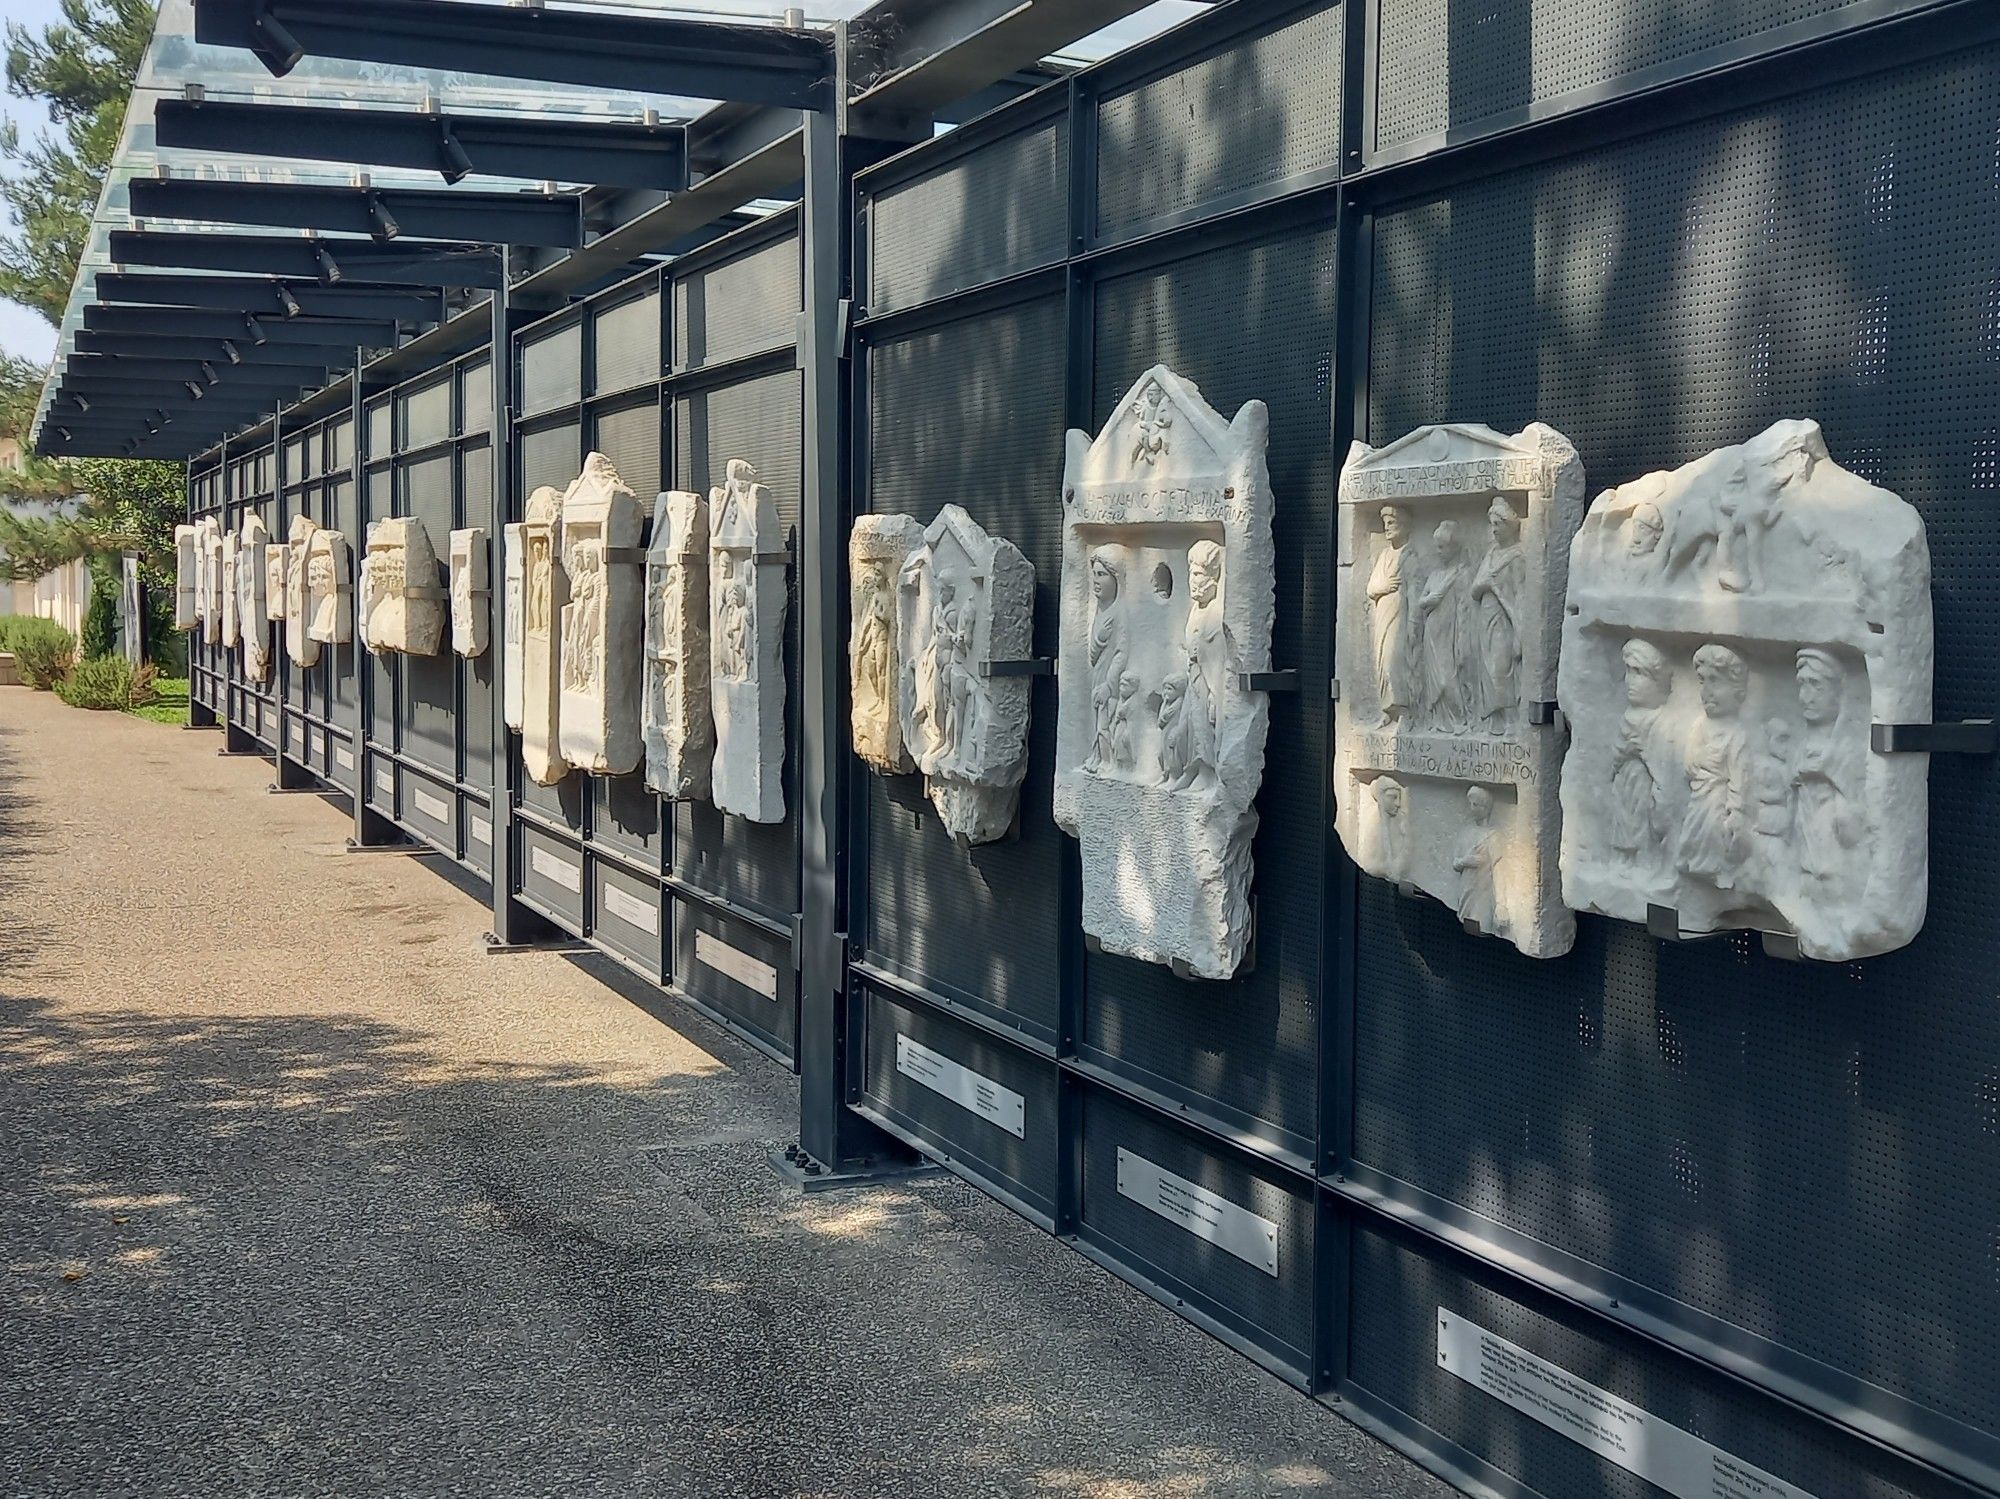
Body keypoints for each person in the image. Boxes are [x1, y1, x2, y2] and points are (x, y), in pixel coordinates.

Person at [1793, 647, 1865, 900]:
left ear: (1838, 693)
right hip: (1805, 862)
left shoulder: (1848, 750)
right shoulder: (1801, 745)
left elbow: (1855, 827)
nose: (1806, 697)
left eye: (1816, 686)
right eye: (1802, 686)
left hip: (1836, 868)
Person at [1678, 644, 1751, 890]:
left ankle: (1718, 871)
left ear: (1738, 690)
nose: (1707, 692)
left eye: (1716, 682)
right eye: (1703, 682)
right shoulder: (1701, 725)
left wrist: (1737, 811)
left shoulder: (1737, 733)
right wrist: (1700, 761)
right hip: (1699, 797)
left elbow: (1740, 777)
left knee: (1714, 836)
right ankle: (1696, 869)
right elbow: (1689, 762)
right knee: (1695, 834)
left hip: (1718, 800)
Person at [1609, 639, 1674, 871]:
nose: (1630, 681)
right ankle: (1624, 858)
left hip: (1645, 788)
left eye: (1638, 673)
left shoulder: (1660, 720)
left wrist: (1643, 754)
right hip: (1624, 784)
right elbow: (1616, 756)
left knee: (1642, 818)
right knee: (1622, 818)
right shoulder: (1629, 716)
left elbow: (1665, 765)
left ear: (1657, 680)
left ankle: (1646, 860)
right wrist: (1626, 753)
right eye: (1628, 672)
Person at [1468, 498, 1525, 730]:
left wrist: (1499, 592)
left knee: (1501, 667)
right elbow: (1475, 589)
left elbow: (1522, 593)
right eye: (1491, 525)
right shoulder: (1491, 554)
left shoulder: (1518, 556)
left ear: (1509, 525)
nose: (1494, 530)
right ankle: (1495, 720)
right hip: (1486, 619)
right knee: (1486, 668)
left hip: (1505, 618)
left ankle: (1511, 718)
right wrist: (1487, 586)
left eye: (1497, 525)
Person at [1414, 519, 1470, 733]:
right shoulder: (1436, 576)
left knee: (1448, 678)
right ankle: (1438, 722)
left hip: (1450, 631)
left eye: (1442, 547)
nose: (1438, 551)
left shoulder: (1461, 574)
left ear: (1454, 547)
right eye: (1436, 546)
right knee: (1434, 679)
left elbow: (1465, 606)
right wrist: (1433, 599)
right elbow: (1421, 602)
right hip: (1432, 632)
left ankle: (1459, 720)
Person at [1367, 505, 1418, 724]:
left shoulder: (1410, 556)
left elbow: (1415, 589)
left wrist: (1414, 622)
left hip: (1400, 615)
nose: (1387, 528)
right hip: (1382, 616)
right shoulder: (1384, 555)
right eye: (1385, 524)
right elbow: (1371, 588)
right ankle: (1388, 711)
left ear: (1404, 526)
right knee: (1381, 661)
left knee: (1395, 661)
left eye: (1392, 523)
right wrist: (1385, 585)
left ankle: (1403, 710)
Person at [1084, 548, 1127, 773]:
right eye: (1094, 574)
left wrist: (1109, 685)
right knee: (1097, 719)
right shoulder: (1101, 611)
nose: (1095, 581)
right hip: (1098, 674)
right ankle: (1097, 756)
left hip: (1110, 682)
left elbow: (1122, 652)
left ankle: (1109, 761)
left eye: (1102, 575)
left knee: (1106, 722)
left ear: (1115, 577)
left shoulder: (1120, 613)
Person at [1452, 786, 1503, 933]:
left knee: (1483, 921)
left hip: (1484, 891)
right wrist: (1467, 861)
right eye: (1470, 804)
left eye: (1476, 805)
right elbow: (1455, 863)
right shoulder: (1466, 833)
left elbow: (1498, 868)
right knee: (1466, 918)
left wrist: (1501, 904)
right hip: (1466, 888)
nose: (1471, 808)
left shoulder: (1493, 836)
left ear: (1486, 808)